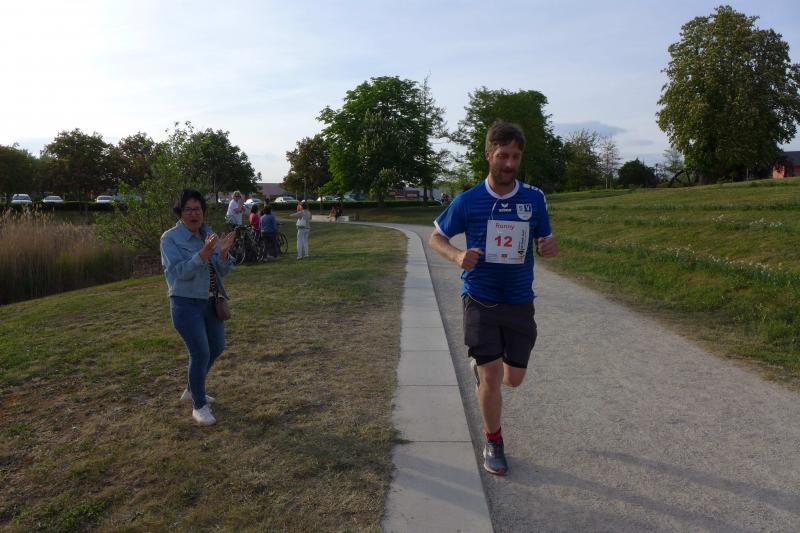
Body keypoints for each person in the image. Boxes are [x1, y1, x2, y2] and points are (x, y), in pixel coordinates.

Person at [429, 121, 558, 476]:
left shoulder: (534, 198)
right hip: (480, 298)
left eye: (515, 156)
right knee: (491, 375)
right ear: (489, 154)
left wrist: (548, 246)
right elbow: (436, 238)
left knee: (512, 379)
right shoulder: (468, 200)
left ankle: (486, 374)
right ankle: (494, 440)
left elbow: (545, 240)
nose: (509, 163)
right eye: (503, 156)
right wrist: (457, 255)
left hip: (519, 300)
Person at [160, 189, 236, 426]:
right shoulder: (170, 239)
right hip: (185, 303)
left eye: (198, 209)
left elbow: (223, 270)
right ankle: (199, 405)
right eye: (188, 210)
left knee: (217, 347)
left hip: (211, 301)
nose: (194, 214)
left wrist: (223, 254)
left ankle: (192, 388)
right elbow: (177, 273)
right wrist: (202, 254)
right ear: (180, 213)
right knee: (200, 352)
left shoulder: (208, 233)